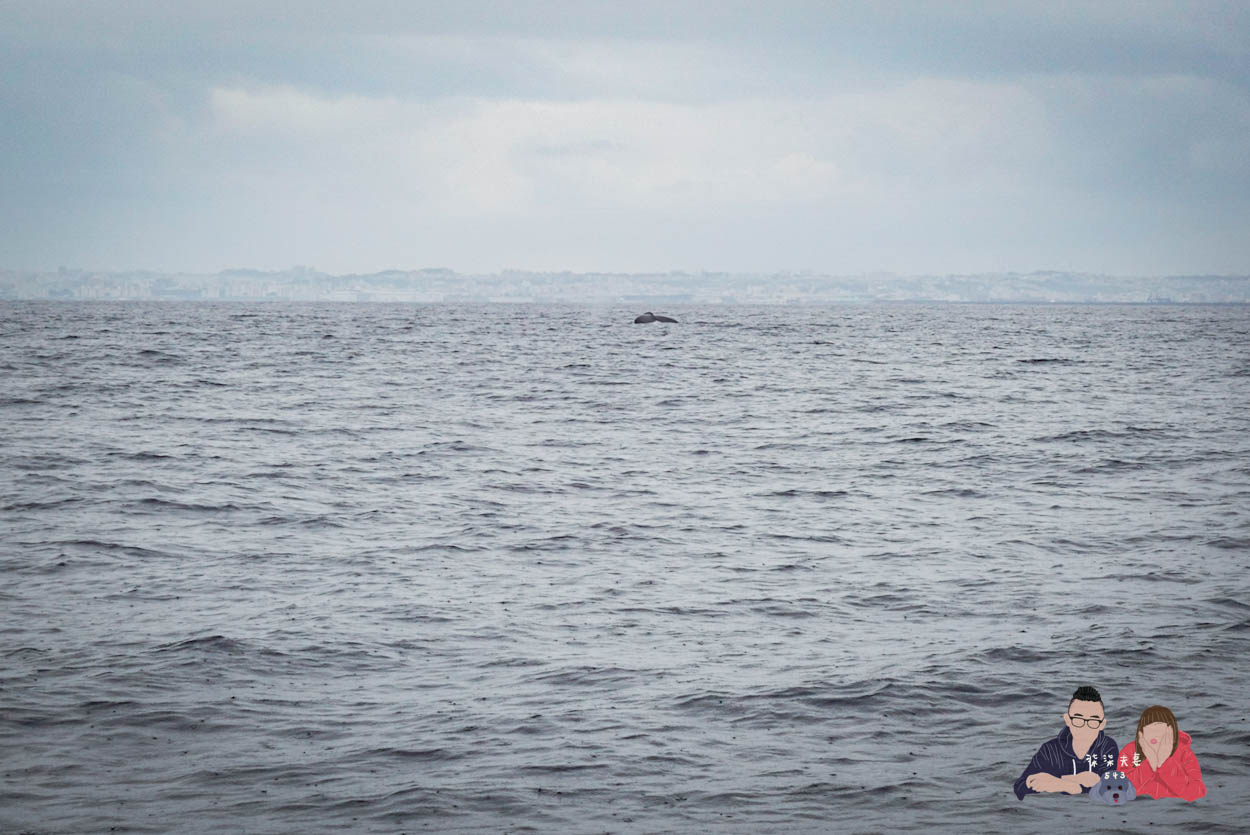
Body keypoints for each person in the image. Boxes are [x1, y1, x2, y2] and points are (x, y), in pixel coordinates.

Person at [1014, 685, 1119, 800]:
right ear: (1068, 720)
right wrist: (1069, 783)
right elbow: (1020, 787)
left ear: (1102, 724)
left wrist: (1064, 784)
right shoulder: (1050, 749)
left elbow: (1111, 788)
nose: (1085, 727)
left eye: (1093, 721)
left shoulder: (1107, 747)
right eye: (1078, 720)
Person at [1117, 705, 1206, 801]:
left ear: (1171, 730)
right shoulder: (1129, 751)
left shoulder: (1184, 753)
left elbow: (1196, 793)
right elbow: (1119, 789)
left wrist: (1165, 762)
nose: (1154, 734)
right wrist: (1150, 763)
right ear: (1141, 732)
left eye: (1158, 728)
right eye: (1148, 729)